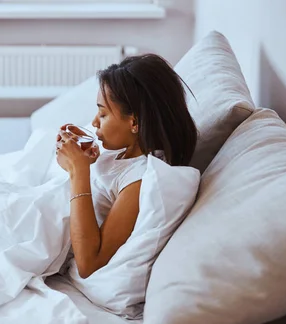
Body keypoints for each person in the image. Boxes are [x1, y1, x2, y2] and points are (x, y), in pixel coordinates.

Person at [55, 54, 197, 279]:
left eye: (102, 114)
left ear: (134, 122)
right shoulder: (125, 151)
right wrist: (87, 156)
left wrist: (78, 171)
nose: (93, 122)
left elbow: (89, 264)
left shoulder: (140, 180)